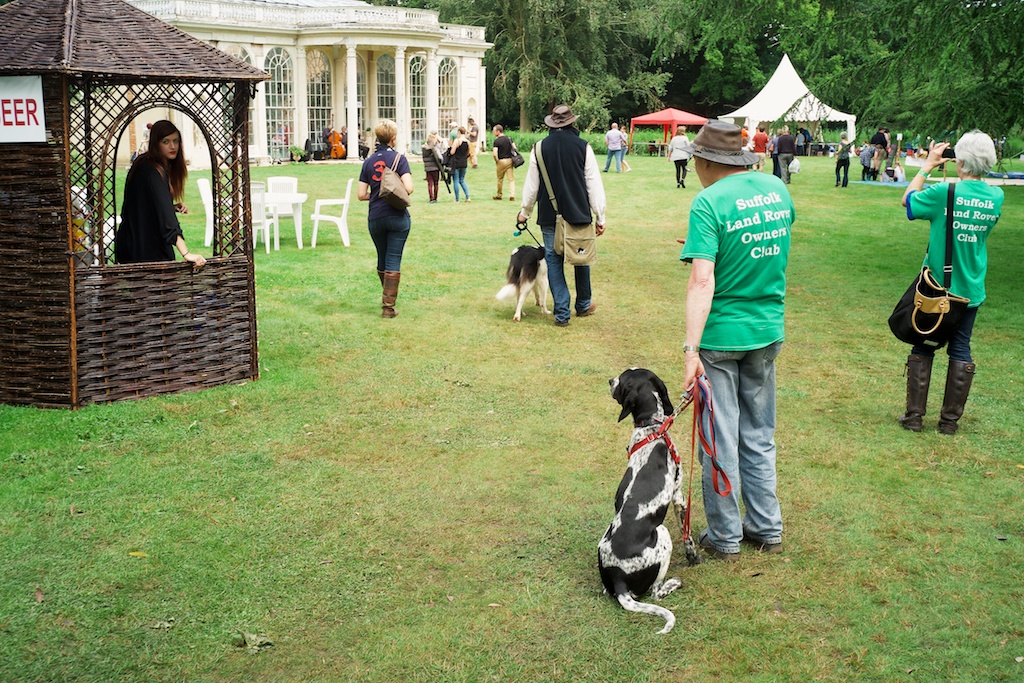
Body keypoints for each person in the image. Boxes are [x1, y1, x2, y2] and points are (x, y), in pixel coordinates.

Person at [678, 119, 794, 561]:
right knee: (760, 433)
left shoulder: (707, 202)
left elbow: (701, 280)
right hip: (767, 329)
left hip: (722, 337)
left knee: (719, 436)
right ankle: (766, 527)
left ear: (707, 161)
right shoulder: (777, 190)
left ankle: (725, 537)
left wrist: (691, 350)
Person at [897, 132, 1003, 434]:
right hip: (970, 288)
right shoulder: (996, 196)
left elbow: (908, 201)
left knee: (924, 344)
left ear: (960, 160)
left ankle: (914, 416)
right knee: (960, 347)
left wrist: (926, 166)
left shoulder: (946, 192)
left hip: (938, 288)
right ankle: (949, 422)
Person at [517, 104, 607, 327]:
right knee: (581, 257)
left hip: (550, 216)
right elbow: (593, 184)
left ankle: (562, 313)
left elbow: (532, 187)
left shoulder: (539, 148)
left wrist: (524, 212)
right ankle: (584, 304)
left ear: (551, 124)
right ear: (572, 122)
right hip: (578, 213)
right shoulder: (583, 147)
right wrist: (600, 216)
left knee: (553, 261)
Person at [115, 119, 206, 268]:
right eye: (166, 141)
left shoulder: (144, 163)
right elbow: (166, 219)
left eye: (176, 141)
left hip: (132, 244)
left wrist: (172, 206)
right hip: (144, 251)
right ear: (156, 143)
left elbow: (147, 204)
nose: (172, 146)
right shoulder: (153, 171)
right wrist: (186, 254)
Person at [357, 119, 414, 318]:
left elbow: (361, 194)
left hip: (375, 217)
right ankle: (388, 308)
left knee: (382, 258)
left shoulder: (368, 162)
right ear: (393, 138)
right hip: (397, 216)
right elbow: (409, 188)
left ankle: (387, 299)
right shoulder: (400, 159)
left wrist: (377, 192)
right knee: (393, 259)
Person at [491, 124, 516, 201]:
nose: (493, 132)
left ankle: (499, 194)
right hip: (509, 160)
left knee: (500, 179)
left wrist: (497, 160)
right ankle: (512, 194)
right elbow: (514, 148)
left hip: (501, 161)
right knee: (511, 179)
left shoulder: (497, 141)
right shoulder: (509, 139)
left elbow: (495, 153)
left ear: (498, 131)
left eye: (494, 131)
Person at [448, 126, 471, 203]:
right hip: (464, 162)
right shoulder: (468, 141)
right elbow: (468, 152)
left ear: (459, 132)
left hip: (456, 162)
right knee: (462, 180)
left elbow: (452, 152)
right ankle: (468, 197)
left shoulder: (457, 141)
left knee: (456, 180)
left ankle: (457, 199)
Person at [421, 131, 445, 204]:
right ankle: (435, 198)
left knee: (429, 184)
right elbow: (440, 158)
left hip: (427, 168)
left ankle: (431, 198)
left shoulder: (424, 148)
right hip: (435, 167)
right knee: (436, 183)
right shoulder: (434, 149)